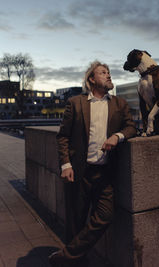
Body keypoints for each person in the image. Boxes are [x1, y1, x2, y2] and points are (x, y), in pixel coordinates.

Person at [49, 61, 136, 266]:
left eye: (109, 72)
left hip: (105, 173)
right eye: (103, 72)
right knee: (76, 223)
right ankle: (74, 261)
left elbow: (131, 127)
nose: (108, 75)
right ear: (91, 79)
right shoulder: (75, 103)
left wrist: (117, 136)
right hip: (79, 172)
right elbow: (63, 137)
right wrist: (66, 165)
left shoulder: (119, 104)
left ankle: (65, 256)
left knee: (105, 216)